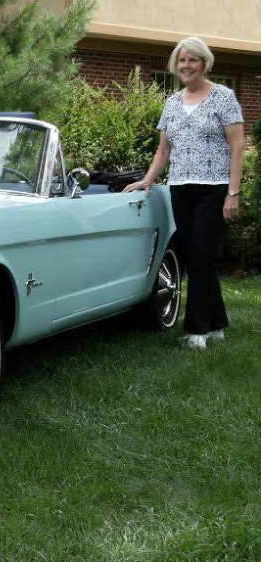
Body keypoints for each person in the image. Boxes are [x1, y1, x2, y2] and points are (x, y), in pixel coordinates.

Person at [123, 36, 244, 350]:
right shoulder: (172, 102)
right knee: (195, 258)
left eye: (193, 59)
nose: (186, 65)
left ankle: (196, 332)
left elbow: (237, 146)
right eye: (182, 60)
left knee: (203, 255)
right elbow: (164, 150)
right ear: (176, 66)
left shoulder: (224, 97)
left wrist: (233, 192)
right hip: (180, 188)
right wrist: (148, 179)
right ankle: (217, 323)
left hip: (214, 189)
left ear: (205, 63)